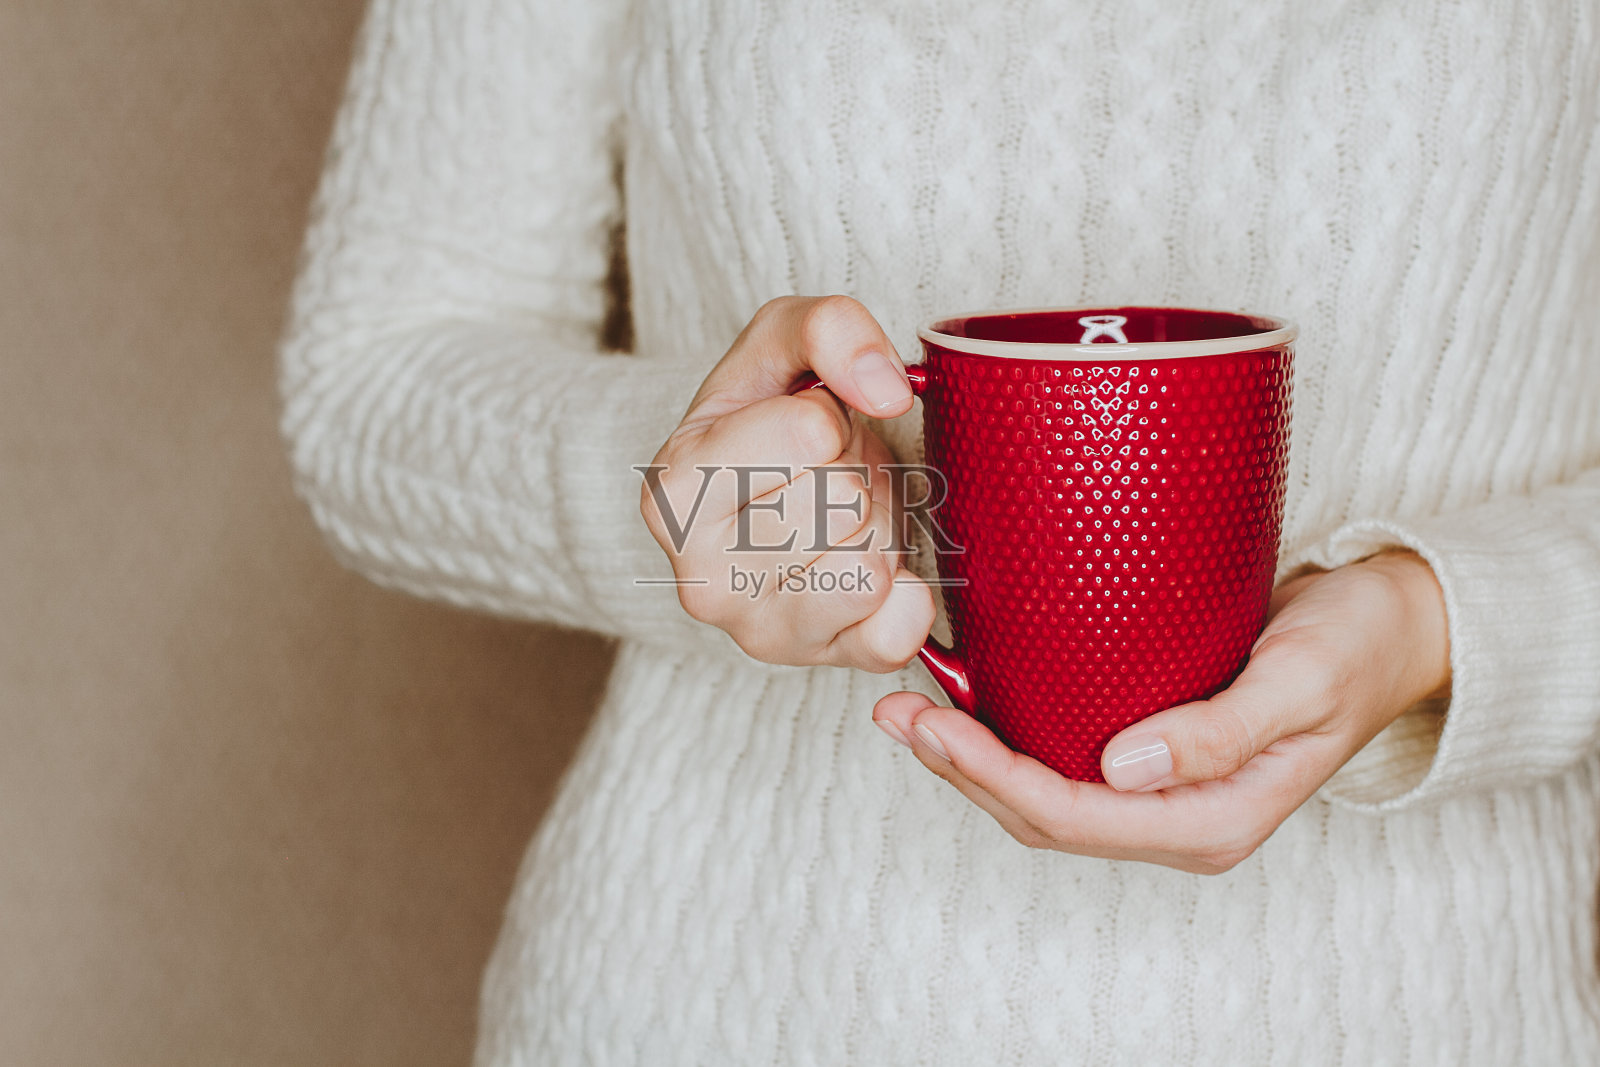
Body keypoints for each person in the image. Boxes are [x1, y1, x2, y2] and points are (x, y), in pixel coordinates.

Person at [279, 0, 1600, 1062]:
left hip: (1431, 1011)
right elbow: (370, 384)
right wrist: (698, 495)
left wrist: (1442, 622)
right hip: (715, 996)